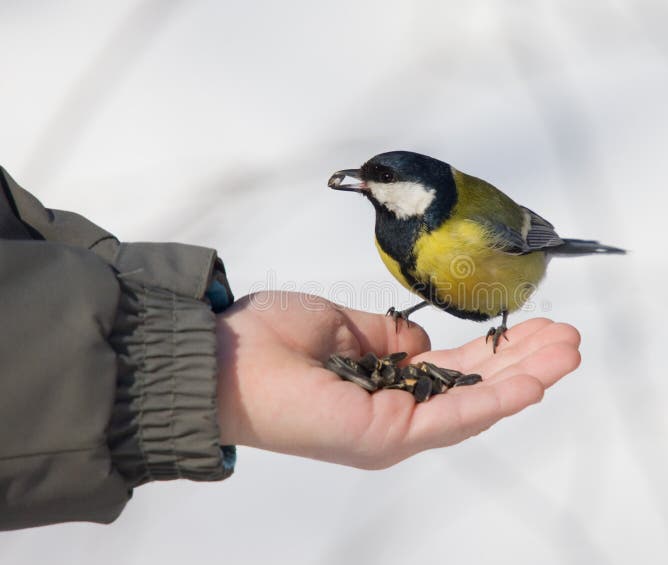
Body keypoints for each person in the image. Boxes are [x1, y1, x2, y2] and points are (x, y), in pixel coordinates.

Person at [0, 166, 582, 531]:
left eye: (379, 179)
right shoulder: (391, 230)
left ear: (418, 192)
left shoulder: (469, 221)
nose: (366, 186)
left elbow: (530, 234)